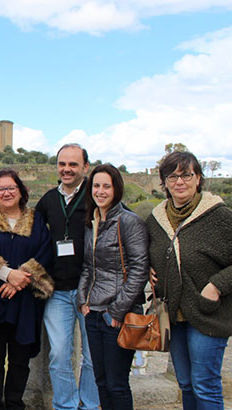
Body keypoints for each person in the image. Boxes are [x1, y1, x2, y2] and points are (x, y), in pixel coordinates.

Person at [148, 151, 232, 410]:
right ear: (163, 182)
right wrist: (148, 269)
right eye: (172, 176)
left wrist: (216, 286)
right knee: (185, 383)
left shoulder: (219, 216)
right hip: (174, 316)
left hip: (208, 313)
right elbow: (148, 250)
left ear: (198, 178)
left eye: (186, 174)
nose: (180, 181)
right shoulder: (157, 219)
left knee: (204, 385)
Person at [0, 168, 55, 410]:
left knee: (20, 359)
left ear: (21, 190)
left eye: (11, 188)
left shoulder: (36, 220)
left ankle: (15, 403)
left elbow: (45, 252)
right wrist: (7, 275)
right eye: (1, 189)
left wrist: (20, 280)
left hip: (25, 301)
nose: (6, 193)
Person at [76, 163, 149, 410]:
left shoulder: (129, 222)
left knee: (117, 384)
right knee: (101, 381)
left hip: (117, 314)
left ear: (116, 189)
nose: (100, 191)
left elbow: (139, 271)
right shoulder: (93, 221)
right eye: (96, 186)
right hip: (94, 313)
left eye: (106, 186)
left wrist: (117, 311)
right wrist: (83, 301)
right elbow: (88, 266)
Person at [34, 143, 99, 410]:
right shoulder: (48, 200)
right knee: (59, 355)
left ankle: (90, 404)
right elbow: (33, 237)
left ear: (85, 167)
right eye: (62, 164)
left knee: (93, 356)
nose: (67, 169)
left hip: (92, 291)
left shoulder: (96, 196)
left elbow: (126, 226)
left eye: (73, 164)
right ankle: (66, 405)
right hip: (57, 291)